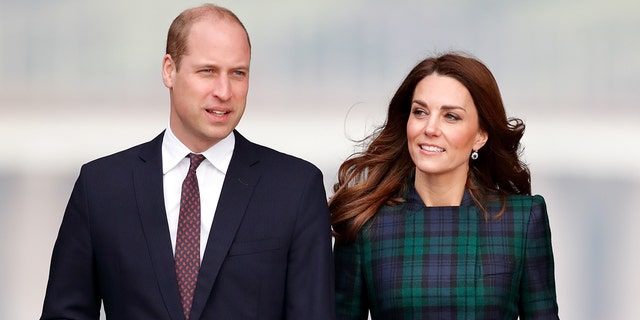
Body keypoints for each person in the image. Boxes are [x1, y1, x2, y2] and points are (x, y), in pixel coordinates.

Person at [41, 4, 334, 320]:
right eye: (208, 71)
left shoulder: (296, 188)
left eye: (238, 73)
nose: (224, 91)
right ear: (170, 70)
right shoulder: (101, 186)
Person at [331, 52, 559, 319]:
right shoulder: (366, 222)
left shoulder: (521, 219)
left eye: (451, 116)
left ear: (480, 136)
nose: (430, 128)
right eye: (420, 112)